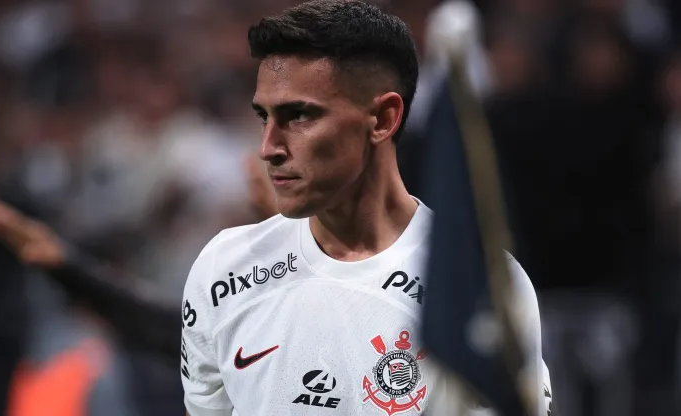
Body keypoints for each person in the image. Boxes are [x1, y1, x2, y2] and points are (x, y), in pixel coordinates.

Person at [179, 1, 551, 415]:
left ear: (382, 119)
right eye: (263, 117)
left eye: (298, 115)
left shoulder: (479, 287)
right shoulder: (223, 270)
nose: (269, 147)